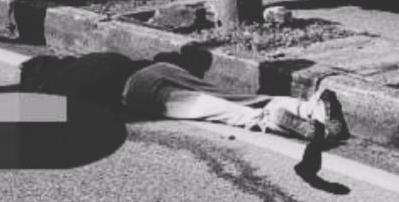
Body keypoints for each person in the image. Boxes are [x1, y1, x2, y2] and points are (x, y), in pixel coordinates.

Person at [19, 50, 348, 143]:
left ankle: (272, 120)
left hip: (137, 90)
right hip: (158, 67)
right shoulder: (87, 58)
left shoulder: (59, 89)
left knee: (217, 111)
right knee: (237, 96)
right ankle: (312, 108)